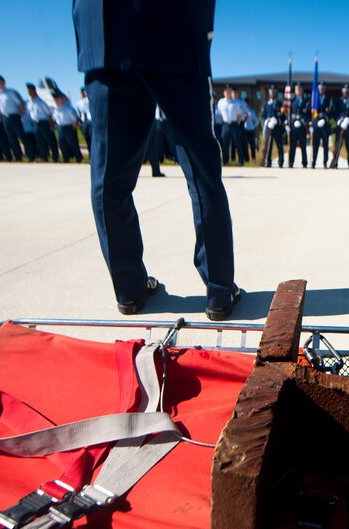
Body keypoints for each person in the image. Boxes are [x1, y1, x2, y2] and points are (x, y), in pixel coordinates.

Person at [72, 0, 241, 320]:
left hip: (106, 30)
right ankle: (219, 291)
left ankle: (129, 289)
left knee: (110, 177)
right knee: (201, 172)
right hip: (172, 26)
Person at [0, 74, 28, 161]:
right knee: (11, 138)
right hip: (5, 117)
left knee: (22, 137)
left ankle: (30, 156)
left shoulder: (10, 92)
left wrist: (20, 115)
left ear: (4, 82)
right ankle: (18, 157)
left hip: (14, 116)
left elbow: (20, 104)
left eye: (0, 82)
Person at [25, 82, 59, 162]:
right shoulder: (29, 103)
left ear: (34, 91)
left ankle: (55, 157)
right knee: (40, 141)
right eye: (27, 91)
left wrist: (51, 125)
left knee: (50, 140)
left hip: (44, 123)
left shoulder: (41, 102)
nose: (29, 92)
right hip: (35, 123)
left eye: (30, 90)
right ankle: (44, 157)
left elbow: (49, 114)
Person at [52, 93, 83, 163]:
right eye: (55, 100)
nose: (56, 101)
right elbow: (55, 119)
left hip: (69, 127)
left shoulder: (68, 108)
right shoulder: (55, 110)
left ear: (62, 100)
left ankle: (78, 158)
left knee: (73, 144)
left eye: (57, 99)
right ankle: (66, 159)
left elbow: (75, 119)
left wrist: (73, 128)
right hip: (60, 127)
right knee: (62, 144)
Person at [331, 84, 349, 169]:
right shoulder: (338, 102)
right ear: (342, 92)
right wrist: (338, 120)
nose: (346, 93)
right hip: (340, 127)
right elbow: (334, 113)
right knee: (337, 146)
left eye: (347, 91)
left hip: (348, 127)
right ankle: (334, 163)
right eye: (345, 91)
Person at [217, 85, 243, 166]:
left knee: (237, 142)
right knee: (224, 143)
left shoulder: (235, 102)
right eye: (226, 91)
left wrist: (236, 124)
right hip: (225, 125)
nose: (228, 93)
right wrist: (224, 123)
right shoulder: (221, 102)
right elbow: (219, 114)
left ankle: (240, 161)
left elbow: (239, 116)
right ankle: (225, 161)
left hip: (234, 124)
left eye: (229, 91)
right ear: (224, 92)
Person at [311, 81, 333, 168]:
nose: (321, 90)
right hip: (316, 124)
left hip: (325, 125)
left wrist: (326, 119)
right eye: (320, 88)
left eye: (323, 88)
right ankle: (313, 162)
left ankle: (325, 162)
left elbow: (331, 111)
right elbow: (311, 110)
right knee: (315, 144)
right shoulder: (314, 99)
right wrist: (312, 123)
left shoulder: (329, 99)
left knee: (325, 145)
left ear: (325, 89)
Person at [262, 86, 284, 168]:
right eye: (271, 92)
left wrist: (277, 120)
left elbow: (283, 117)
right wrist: (267, 121)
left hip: (277, 128)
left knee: (279, 145)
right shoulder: (266, 104)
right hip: (269, 128)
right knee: (269, 146)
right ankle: (268, 161)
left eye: (274, 92)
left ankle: (281, 162)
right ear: (269, 93)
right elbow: (263, 116)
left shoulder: (280, 104)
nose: (273, 94)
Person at [288, 82, 309, 167]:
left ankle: (304, 163)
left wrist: (303, 121)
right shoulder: (292, 100)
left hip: (302, 126)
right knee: (292, 146)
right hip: (293, 126)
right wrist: (288, 123)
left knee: (303, 146)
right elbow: (289, 113)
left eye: (300, 89)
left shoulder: (306, 101)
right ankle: (291, 162)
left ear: (302, 90)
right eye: (297, 89)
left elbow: (307, 114)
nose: (298, 91)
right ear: (295, 90)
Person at [76, 86, 92, 152]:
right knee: (87, 137)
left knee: (92, 137)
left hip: (91, 120)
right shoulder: (78, 102)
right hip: (84, 122)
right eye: (82, 92)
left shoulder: (90, 99)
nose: (83, 93)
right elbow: (79, 113)